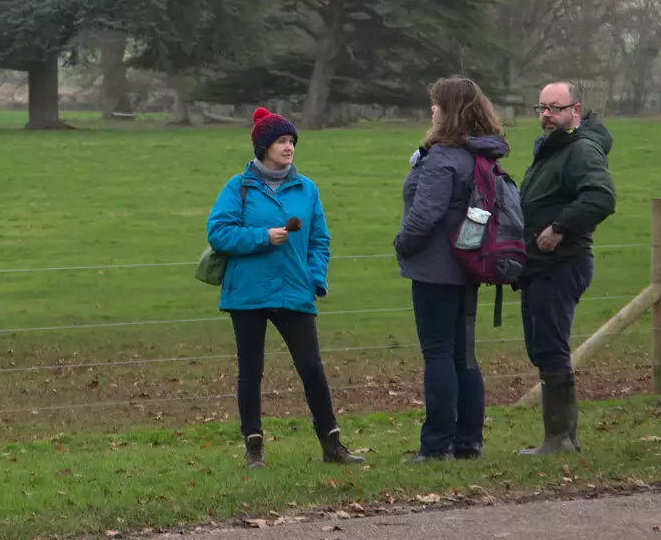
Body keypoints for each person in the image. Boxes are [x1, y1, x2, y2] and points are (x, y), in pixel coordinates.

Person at [206, 106, 365, 469]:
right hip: (247, 292)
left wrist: (315, 278)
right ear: (263, 146)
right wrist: (263, 237)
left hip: (295, 291)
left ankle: (332, 445)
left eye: (291, 140)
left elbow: (320, 240)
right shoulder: (239, 187)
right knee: (251, 370)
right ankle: (254, 448)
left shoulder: (306, 189)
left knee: (311, 367)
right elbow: (218, 232)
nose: (288, 147)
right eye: (281, 141)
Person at [393, 76, 509, 462]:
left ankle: (436, 444)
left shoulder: (442, 157)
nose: (432, 110)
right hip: (468, 264)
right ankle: (468, 440)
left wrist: (402, 244)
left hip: (434, 270)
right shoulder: (479, 154)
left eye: (437, 104)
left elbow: (424, 215)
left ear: (450, 111)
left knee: (439, 353)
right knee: (465, 355)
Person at [516, 81, 616, 455]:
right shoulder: (553, 148)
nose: (546, 116)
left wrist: (559, 228)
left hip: (561, 263)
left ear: (576, 110)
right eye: (541, 108)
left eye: (555, 109)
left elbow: (601, 197)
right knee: (542, 346)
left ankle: (559, 439)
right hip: (539, 265)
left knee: (551, 347)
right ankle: (560, 438)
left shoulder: (581, 150)